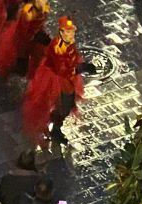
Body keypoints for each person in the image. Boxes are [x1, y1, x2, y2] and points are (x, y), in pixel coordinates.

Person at [20, 16, 90, 145]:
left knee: (66, 106)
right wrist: (80, 68)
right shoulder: (56, 46)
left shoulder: (65, 43)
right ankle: (54, 128)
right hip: (55, 81)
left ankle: (56, 127)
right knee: (60, 105)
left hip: (66, 81)